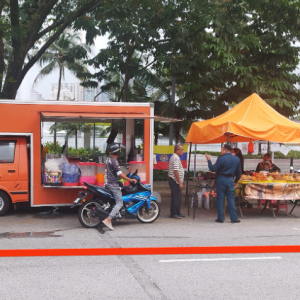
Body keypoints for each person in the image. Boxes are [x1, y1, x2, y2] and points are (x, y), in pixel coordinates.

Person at [102, 143, 137, 230]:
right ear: (117, 151)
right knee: (119, 203)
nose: (121, 151)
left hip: (107, 183)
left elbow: (113, 173)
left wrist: (125, 174)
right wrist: (130, 179)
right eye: (120, 149)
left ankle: (115, 214)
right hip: (113, 185)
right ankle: (108, 219)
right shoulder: (114, 161)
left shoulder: (108, 160)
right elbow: (119, 174)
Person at [205, 144, 242, 223]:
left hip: (221, 179)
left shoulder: (221, 158)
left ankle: (220, 218)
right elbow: (239, 172)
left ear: (225, 150)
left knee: (220, 199)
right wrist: (236, 181)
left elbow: (213, 168)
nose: (221, 151)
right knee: (231, 199)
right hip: (230, 179)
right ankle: (234, 218)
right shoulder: (236, 159)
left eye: (221, 150)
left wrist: (209, 160)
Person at [168, 144, 185, 219]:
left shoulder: (176, 157)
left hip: (176, 181)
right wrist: (180, 182)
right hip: (174, 181)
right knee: (175, 197)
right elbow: (175, 171)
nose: (183, 151)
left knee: (178, 197)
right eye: (182, 150)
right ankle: (173, 213)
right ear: (177, 150)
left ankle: (177, 212)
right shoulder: (175, 158)